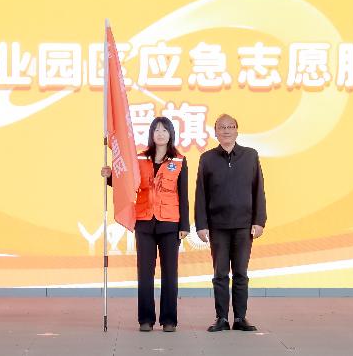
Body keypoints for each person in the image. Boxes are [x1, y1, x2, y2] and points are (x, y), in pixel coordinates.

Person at [101, 116, 189, 332]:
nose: (160, 133)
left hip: (170, 223)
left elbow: (183, 194)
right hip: (144, 223)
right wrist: (110, 177)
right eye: (156, 130)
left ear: (171, 134)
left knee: (170, 274)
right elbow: (127, 183)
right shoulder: (139, 158)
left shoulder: (179, 160)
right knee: (145, 274)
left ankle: (169, 320)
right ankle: (146, 319)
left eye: (164, 130)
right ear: (151, 134)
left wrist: (184, 226)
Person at [195, 113, 267, 332]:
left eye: (230, 127)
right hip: (218, 226)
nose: (226, 131)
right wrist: (201, 224)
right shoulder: (207, 159)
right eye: (222, 127)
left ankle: (240, 318)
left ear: (237, 130)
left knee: (241, 274)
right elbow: (201, 194)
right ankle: (221, 318)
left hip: (244, 225)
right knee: (220, 274)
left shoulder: (250, 156)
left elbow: (259, 190)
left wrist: (259, 220)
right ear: (215, 132)